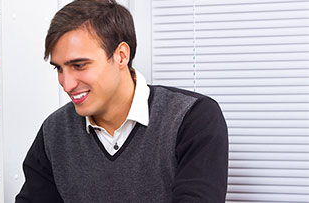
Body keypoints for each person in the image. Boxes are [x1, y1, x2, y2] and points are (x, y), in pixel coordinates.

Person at [15, 0, 229, 202]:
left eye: (79, 65)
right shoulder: (54, 131)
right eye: (59, 69)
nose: (66, 84)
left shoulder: (192, 118)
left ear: (121, 55)